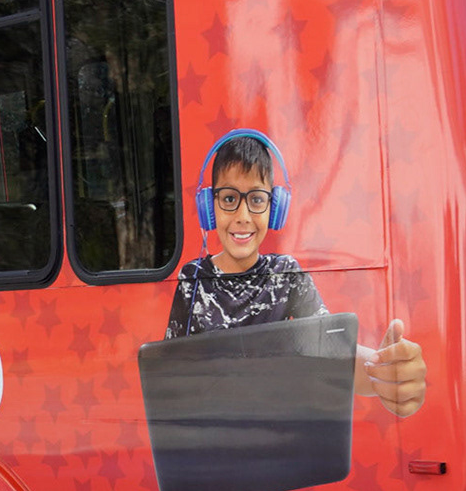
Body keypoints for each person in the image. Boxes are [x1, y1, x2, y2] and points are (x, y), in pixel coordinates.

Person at [164, 132, 427, 417]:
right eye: (229, 198)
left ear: (275, 207)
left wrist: (381, 372)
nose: (243, 216)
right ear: (209, 206)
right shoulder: (193, 279)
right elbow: (169, 375)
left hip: (276, 434)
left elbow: (334, 353)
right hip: (212, 434)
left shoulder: (285, 275)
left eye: (256, 199)